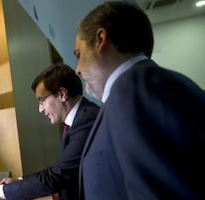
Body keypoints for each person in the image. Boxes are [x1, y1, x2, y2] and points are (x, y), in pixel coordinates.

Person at [74, 1, 205, 199]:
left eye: (79, 54)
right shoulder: (148, 85)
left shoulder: (133, 91)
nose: (77, 69)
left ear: (101, 39)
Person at [0, 63, 100, 200]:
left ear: (62, 94)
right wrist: (20, 181)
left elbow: (58, 176)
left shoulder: (87, 120)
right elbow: (59, 169)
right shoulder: (79, 119)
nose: (40, 109)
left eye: (42, 101)